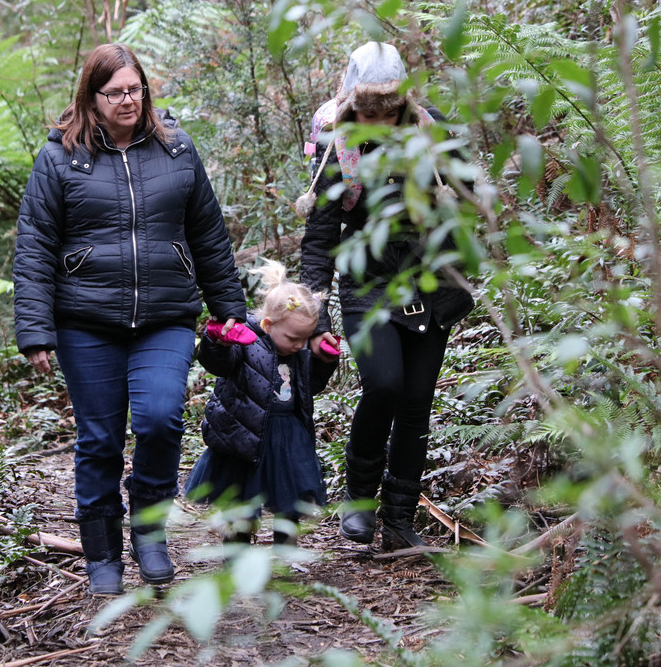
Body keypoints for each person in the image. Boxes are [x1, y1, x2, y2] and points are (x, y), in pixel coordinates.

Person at [13, 43, 248, 595]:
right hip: (84, 322)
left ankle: (148, 531)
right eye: (115, 92)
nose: (127, 100)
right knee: (99, 438)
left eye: (134, 90)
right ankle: (101, 555)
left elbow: (210, 239)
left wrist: (232, 315)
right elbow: (35, 246)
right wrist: (35, 331)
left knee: (162, 419)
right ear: (90, 98)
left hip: (167, 315)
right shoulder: (59, 158)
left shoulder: (177, 150)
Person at [298, 41, 475, 551]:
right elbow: (321, 230)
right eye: (367, 110)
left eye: (388, 108)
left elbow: (465, 199)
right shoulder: (337, 141)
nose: (377, 118)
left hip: (429, 282)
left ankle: (399, 520)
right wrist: (317, 309)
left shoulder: (431, 128)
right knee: (384, 385)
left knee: (417, 401)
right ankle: (358, 502)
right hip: (366, 283)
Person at [184, 260, 336, 546]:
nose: (300, 345)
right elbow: (218, 363)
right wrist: (218, 341)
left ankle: (287, 540)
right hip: (245, 431)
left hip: (288, 432)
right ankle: (237, 538)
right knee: (242, 490)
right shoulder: (246, 341)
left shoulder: (301, 352)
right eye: (293, 338)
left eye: (305, 339)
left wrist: (325, 361)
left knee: (289, 488)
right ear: (268, 324)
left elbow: (311, 386)